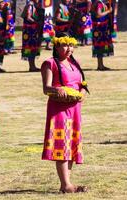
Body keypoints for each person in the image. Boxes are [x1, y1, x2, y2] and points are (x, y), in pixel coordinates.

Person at [41, 32, 89, 193]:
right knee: (62, 144)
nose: (69, 48)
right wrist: (57, 89)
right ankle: (66, 185)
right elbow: (46, 88)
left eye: (71, 45)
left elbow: (80, 83)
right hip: (59, 109)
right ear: (57, 46)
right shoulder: (50, 63)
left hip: (74, 109)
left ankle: (66, 184)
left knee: (72, 143)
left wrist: (82, 92)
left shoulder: (73, 63)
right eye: (65, 45)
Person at [21, 0, 44, 72]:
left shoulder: (34, 5)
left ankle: (33, 66)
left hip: (32, 30)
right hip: (30, 30)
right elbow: (28, 17)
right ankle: (32, 66)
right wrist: (37, 22)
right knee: (31, 47)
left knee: (33, 47)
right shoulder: (30, 5)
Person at [91, 0, 114, 71]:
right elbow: (98, 14)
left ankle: (101, 65)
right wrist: (108, 11)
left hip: (102, 28)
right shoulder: (99, 3)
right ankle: (100, 66)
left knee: (100, 46)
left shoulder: (99, 3)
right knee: (99, 45)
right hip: (100, 29)